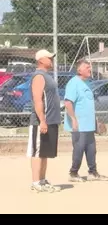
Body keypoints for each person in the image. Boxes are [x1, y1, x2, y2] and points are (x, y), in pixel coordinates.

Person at [64, 60, 108, 182]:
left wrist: (96, 122)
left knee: (92, 149)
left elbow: (87, 105)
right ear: (79, 70)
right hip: (79, 125)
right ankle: (73, 173)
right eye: (87, 67)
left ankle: (93, 173)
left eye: (90, 67)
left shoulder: (87, 83)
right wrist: (73, 119)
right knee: (79, 149)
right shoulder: (73, 83)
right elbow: (68, 103)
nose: (90, 69)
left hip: (89, 125)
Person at [27, 49, 62, 192]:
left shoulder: (47, 76)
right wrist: (42, 120)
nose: (51, 60)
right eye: (49, 58)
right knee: (37, 152)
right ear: (41, 60)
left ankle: (42, 180)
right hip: (41, 122)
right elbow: (37, 100)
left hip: (51, 121)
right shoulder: (39, 76)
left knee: (45, 153)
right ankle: (35, 183)